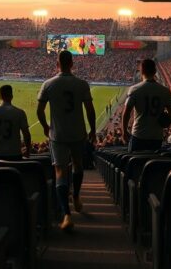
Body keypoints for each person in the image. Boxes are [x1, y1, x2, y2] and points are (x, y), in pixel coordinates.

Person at [37, 50, 96, 231]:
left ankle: (66, 215)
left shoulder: (48, 84)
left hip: (58, 135)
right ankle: (76, 196)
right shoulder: (82, 84)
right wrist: (92, 130)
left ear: (57, 64)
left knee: (60, 172)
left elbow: (39, 110)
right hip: (78, 133)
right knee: (78, 165)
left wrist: (46, 127)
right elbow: (90, 109)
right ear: (72, 64)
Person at [121, 59, 171, 152]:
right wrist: (165, 120)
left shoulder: (134, 89)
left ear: (141, 71)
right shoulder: (165, 90)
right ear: (155, 71)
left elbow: (126, 113)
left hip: (139, 135)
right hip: (156, 136)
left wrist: (124, 132)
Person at [0, 85, 31, 161]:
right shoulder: (20, 113)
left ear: (0, 96)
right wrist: (28, 150)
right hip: (15, 153)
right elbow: (26, 134)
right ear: (12, 96)